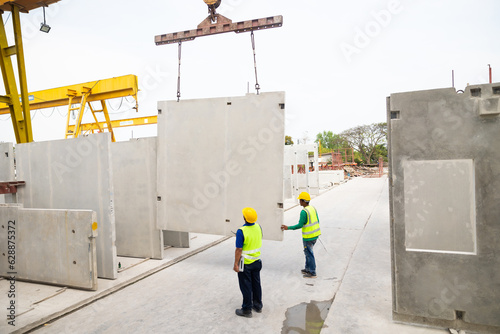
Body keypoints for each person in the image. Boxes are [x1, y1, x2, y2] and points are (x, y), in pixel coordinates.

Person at [281, 192, 321, 278]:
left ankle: (312, 272)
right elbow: (317, 220)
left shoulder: (304, 212)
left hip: (308, 237)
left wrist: (288, 227)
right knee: (307, 253)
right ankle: (307, 269)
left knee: (309, 254)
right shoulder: (312, 208)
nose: (299, 201)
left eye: (300, 200)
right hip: (315, 235)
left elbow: (300, 225)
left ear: (303, 201)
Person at [234, 207, 263, 318]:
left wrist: (236, 264)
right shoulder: (258, 227)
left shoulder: (241, 231)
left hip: (245, 264)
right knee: (256, 284)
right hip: (257, 262)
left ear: (244, 218)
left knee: (246, 286)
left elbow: (239, 249)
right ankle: (258, 305)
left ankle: (246, 309)